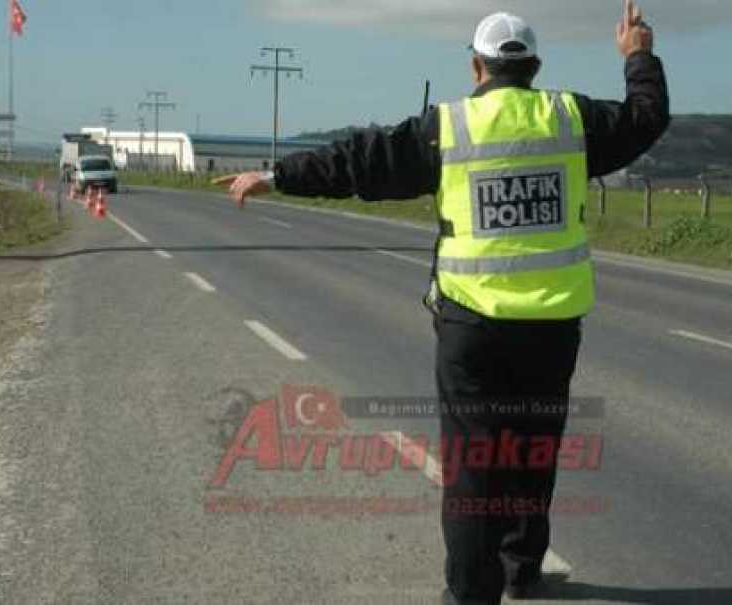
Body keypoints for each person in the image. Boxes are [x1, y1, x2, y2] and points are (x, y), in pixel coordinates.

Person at [225, 2, 668, 603]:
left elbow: (364, 161)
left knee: (473, 463)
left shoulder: (449, 126)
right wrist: (637, 54)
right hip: (552, 323)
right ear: (533, 66)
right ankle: (521, 567)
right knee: (533, 448)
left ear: (476, 67)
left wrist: (279, 175)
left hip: (472, 325)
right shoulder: (571, 119)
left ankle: (470, 593)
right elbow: (645, 119)